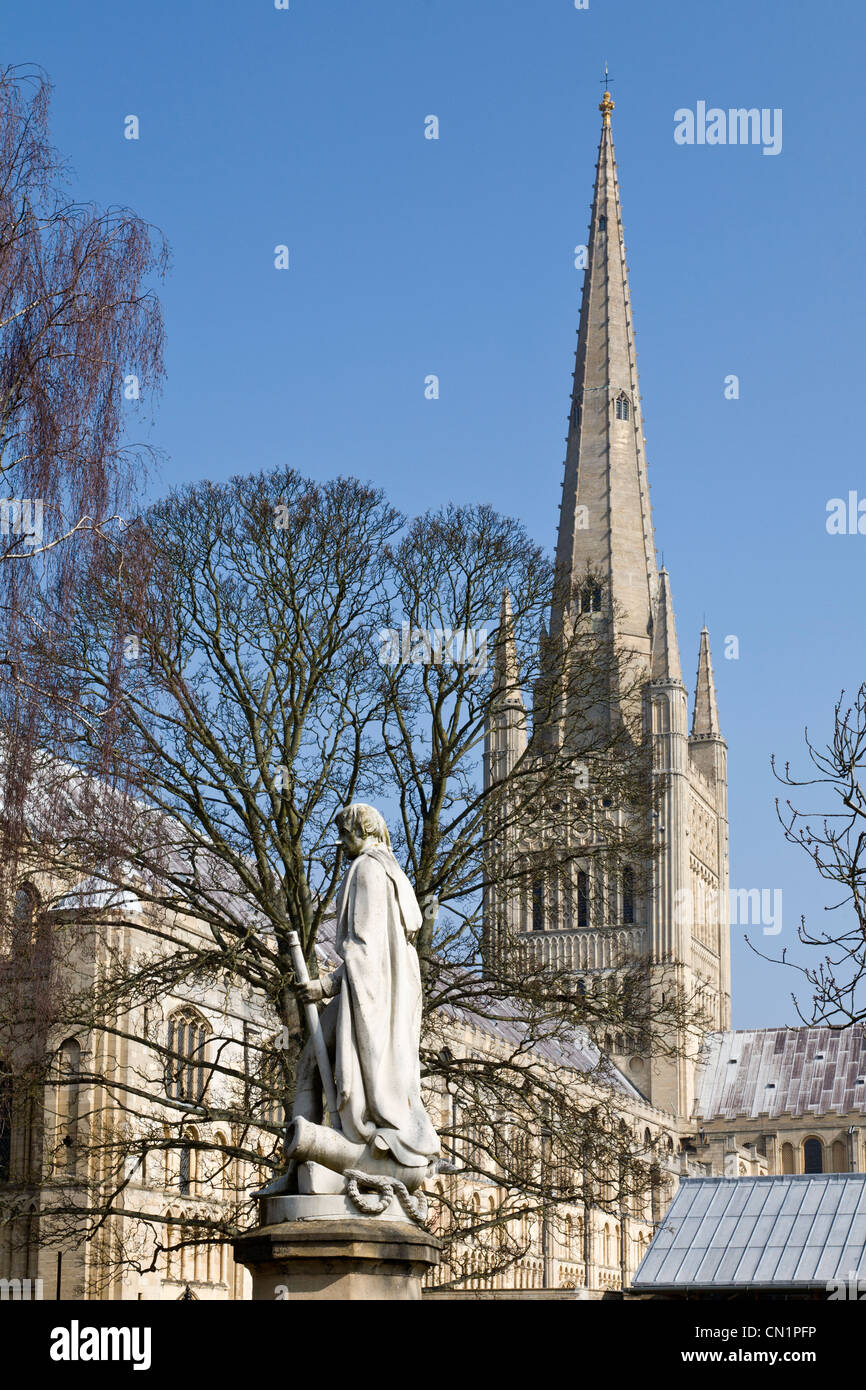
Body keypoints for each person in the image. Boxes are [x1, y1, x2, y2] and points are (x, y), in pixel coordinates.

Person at [292, 803, 439, 1172]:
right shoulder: (393, 874)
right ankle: (302, 1166)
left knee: (310, 1063)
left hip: (368, 992)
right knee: (311, 1063)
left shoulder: (367, 871)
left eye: (345, 834)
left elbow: (365, 950)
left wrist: (324, 985)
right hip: (381, 993)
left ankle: (302, 1163)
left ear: (365, 832)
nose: (341, 843)